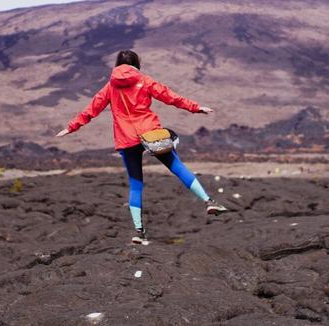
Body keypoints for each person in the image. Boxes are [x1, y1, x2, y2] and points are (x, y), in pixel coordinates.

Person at [56, 49, 227, 245]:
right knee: (177, 166)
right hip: (150, 134)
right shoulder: (144, 81)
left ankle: (139, 232)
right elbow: (170, 96)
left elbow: (91, 110)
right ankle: (208, 201)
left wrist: (71, 127)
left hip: (127, 140)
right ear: (137, 64)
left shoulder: (110, 87)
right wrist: (195, 108)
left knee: (136, 184)